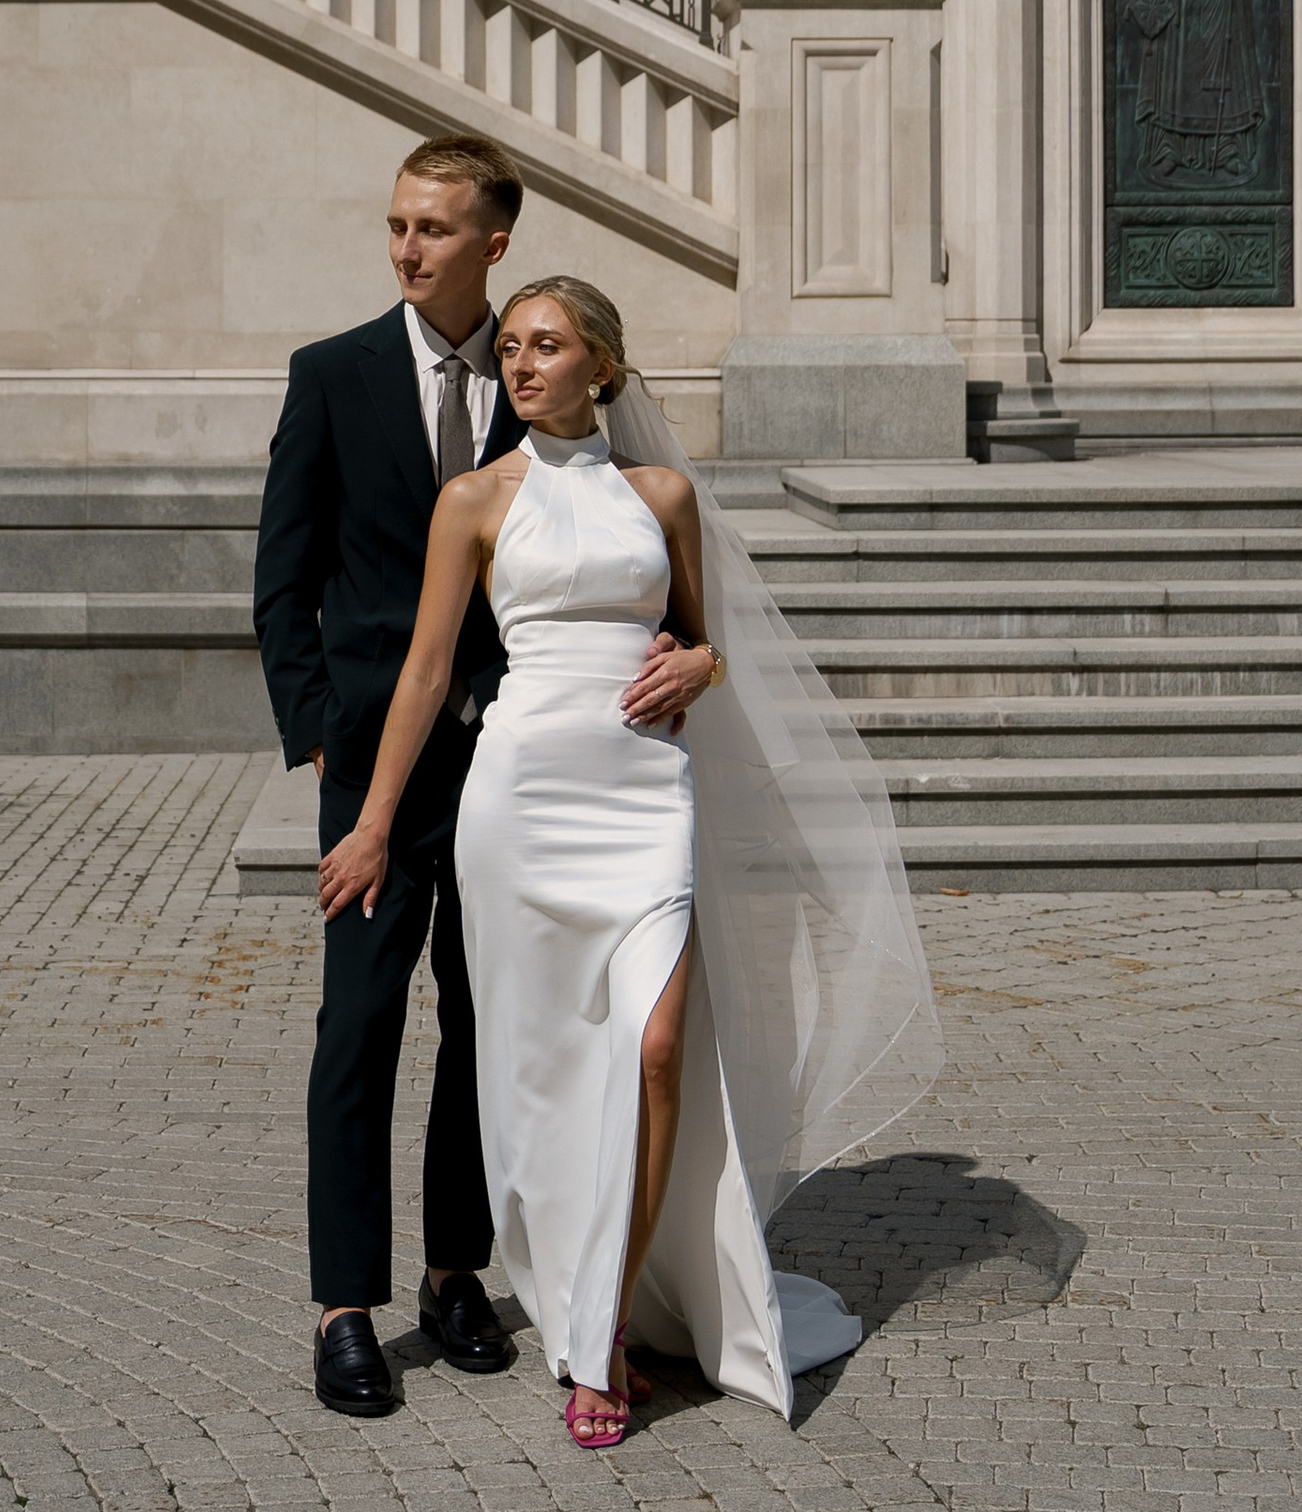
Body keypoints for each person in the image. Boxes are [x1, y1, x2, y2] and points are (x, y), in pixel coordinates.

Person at [318, 272, 945, 1449]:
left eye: (546, 346)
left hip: (644, 794)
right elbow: (423, 670)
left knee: (658, 1047)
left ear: (601, 365)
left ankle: (603, 1325)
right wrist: (370, 819)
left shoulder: (663, 493)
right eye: (510, 346)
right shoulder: (472, 498)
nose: (520, 363)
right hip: (518, 805)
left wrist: (698, 670)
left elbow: (706, 640)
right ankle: (577, 1293)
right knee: (547, 1068)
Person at [252, 136, 721, 1422]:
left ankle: (455, 1271)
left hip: (523, 761)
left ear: (492, 240)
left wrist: (691, 657)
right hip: (384, 763)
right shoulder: (333, 374)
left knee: (486, 1023)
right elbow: (280, 582)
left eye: (433, 229)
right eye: (396, 223)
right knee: (358, 1022)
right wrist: (323, 751)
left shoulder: (554, 411)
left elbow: (658, 602)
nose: (407, 247)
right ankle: (345, 1305)